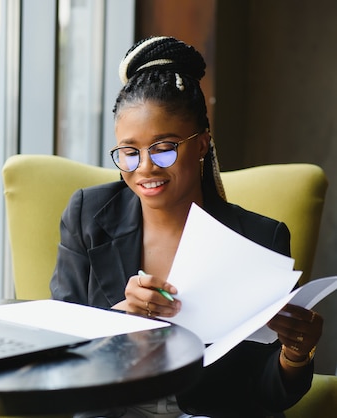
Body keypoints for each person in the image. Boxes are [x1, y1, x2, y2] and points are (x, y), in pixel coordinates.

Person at [50, 36, 323, 418]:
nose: (145, 167)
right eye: (129, 152)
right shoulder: (87, 215)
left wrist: (296, 355)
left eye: (164, 147)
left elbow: (262, 394)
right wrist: (119, 320)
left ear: (201, 145)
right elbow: (57, 347)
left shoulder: (258, 239)